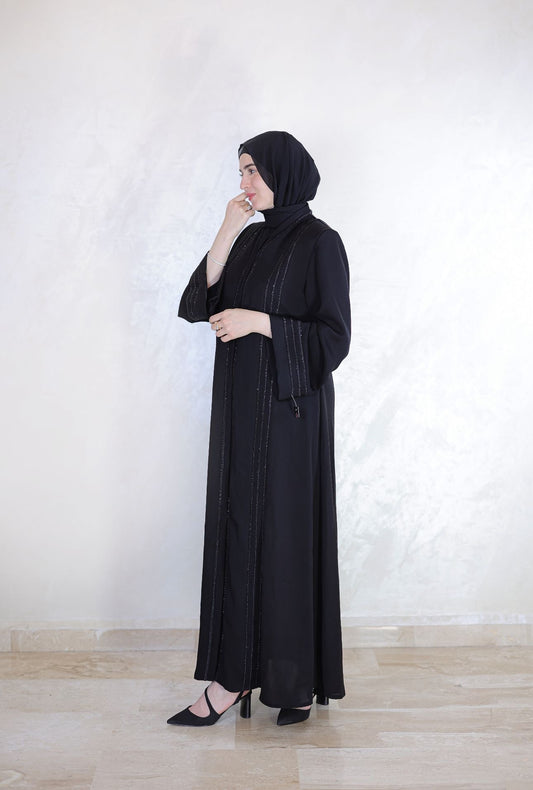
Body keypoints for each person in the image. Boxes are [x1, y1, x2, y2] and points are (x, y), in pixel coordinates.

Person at [168, 131, 351, 727]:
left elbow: (334, 337)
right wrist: (226, 230)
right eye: (241, 171)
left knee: (285, 540)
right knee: (239, 534)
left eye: (253, 171)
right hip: (241, 412)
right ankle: (232, 678)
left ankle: (292, 681)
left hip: (291, 416)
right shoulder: (247, 239)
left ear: (284, 173)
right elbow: (198, 305)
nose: (245, 183)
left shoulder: (321, 242)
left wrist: (261, 321)